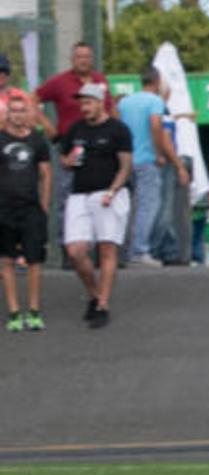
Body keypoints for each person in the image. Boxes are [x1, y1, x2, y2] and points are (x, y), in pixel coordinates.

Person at [60, 84, 131, 329]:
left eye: (89, 102)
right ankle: (93, 293)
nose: (84, 107)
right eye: (82, 103)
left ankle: (102, 303)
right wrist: (67, 161)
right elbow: (64, 159)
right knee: (75, 250)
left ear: (101, 102)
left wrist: (113, 190)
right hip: (79, 193)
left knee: (106, 248)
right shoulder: (76, 129)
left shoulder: (117, 129)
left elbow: (125, 165)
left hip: (108, 192)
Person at [37, 42, 114, 257]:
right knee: (67, 197)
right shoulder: (61, 81)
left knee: (101, 197)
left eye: (87, 56)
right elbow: (32, 98)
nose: (83, 60)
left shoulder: (100, 80)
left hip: (100, 148)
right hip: (71, 146)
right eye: (79, 56)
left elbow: (110, 108)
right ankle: (68, 250)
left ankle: (101, 250)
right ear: (72, 59)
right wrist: (47, 125)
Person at [119, 66, 188, 267]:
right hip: (146, 160)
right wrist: (158, 154)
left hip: (126, 160)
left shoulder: (125, 102)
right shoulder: (155, 101)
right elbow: (156, 126)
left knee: (128, 208)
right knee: (148, 207)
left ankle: (125, 249)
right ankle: (139, 250)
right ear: (157, 81)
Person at [0, 93, 52, 331]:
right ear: (7, 113)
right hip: (4, 210)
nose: (18, 115)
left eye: (22, 110)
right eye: (14, 111)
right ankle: (13, 312)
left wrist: (44, 204)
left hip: (30, 208)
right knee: (7, 261)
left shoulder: (37, 140)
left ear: (28, 112)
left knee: (33, 261)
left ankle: (33, 310)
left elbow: (45, 174)